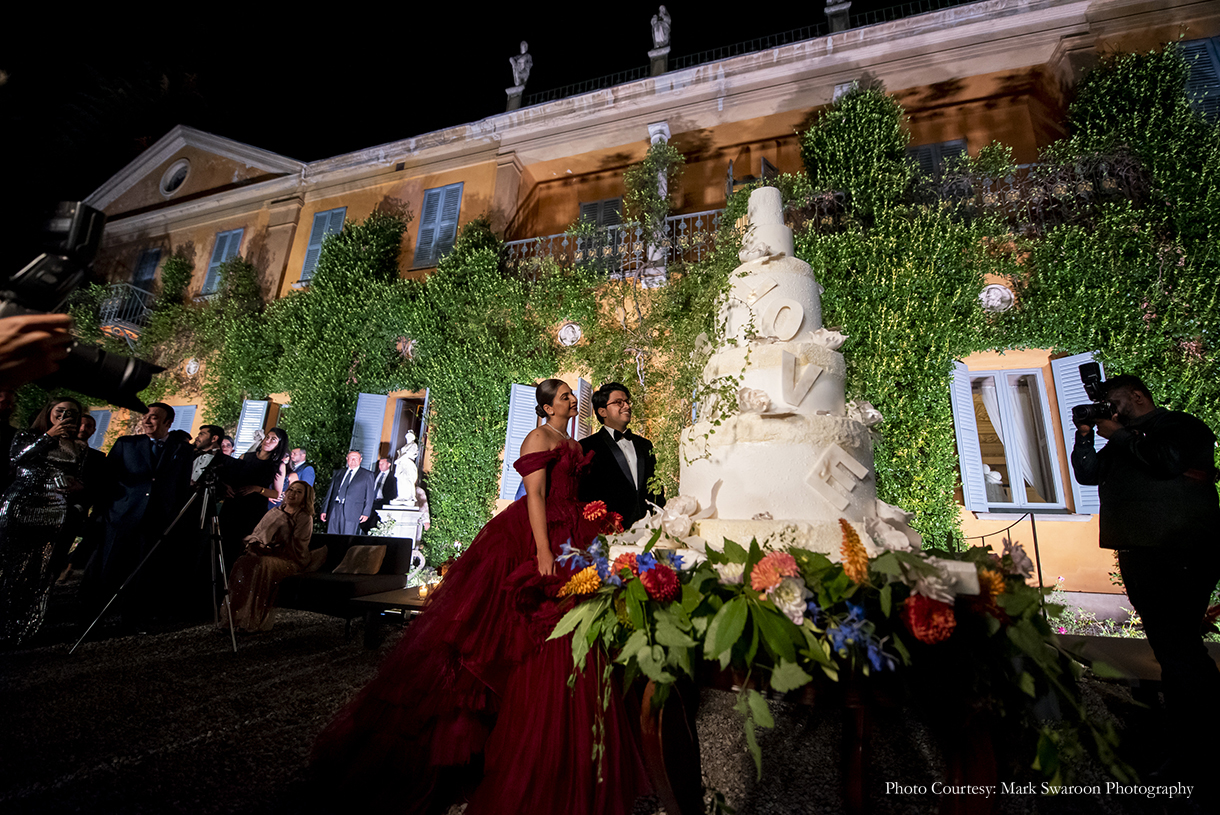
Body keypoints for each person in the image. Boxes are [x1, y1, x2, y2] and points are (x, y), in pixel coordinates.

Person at [311, 379, 650, 814]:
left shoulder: (567, 439)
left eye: (570, 394)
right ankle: (533, 742)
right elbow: (535, 496)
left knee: (571, 626)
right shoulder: (538, 436)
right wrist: (543, 550)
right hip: (535, 535)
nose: (571, 399)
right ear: (547, 406)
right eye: (564, 395)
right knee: (517, 631)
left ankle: (570, 742)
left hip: (573, 534)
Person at [1071, 373, 1220, 786]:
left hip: (1179, 549)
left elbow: (1169, 460)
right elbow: (1089, 474)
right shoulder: (1125, 440)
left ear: (1138, 395)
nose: (1110, 410)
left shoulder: (1179, 425)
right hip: (1140, 552)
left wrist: (1117, 433)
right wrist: (1085, 437)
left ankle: (1200, 748)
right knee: (1173, 649)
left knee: (1179, 649)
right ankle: (1189, 745)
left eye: (1114, 402)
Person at [80, 402, 193, 622]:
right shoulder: (126, 444)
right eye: (146, 416)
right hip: (121, 517)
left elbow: (181, 488)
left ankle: (133, 618)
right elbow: (108, 481)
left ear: (168, 422)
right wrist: (104, 515)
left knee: (144, 572)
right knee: (108, 568)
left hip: (155, 520)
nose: (147, 420)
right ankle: (92, 618)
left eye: (154, 417)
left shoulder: (182, 450)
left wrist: (171, 517)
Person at [0, 396, 87, 643]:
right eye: (60, 411)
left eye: (71, 413)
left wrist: (76, 485)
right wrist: (49, 435)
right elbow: (18, 459)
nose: (65, 417)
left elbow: (77, 474)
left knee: (40, 566)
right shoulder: (27, 436)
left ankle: (24, 627)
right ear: (49, 412)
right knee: (11, 562)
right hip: (22, 502)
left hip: (54, 506)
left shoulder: (77, 446)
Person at [221, 480, 315, 632]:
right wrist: (255, 545)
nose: (293, 494)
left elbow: (298, 546)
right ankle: (233, 618)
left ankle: (252, 620)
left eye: (298, 492)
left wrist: (272, 548)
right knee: (243, 561)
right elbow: (258, 533)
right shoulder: (274, 512)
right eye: (291, 489)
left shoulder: (305, 518)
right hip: (263, 553)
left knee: (262, 565)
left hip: (288, 559)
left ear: (305, 497)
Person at [579, 382, 664, 528]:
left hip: (648, 527)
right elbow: (585, 494)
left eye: (627, 402)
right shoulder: (587, 446)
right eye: (619, 402)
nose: (627, 406)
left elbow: (655, 486)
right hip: (608, 528)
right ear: (602, 412)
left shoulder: (645, 445)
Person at [221, 428, 289, 568]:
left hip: (252, 509)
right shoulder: (245, 457)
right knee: (222, 540)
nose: (268, 441)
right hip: (233, 502)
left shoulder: (278, 465)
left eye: (273, 439)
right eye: (267, 437)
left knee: (240, 546)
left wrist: (257, 489)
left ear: (279, 445)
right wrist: (227, 487)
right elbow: (232, 477)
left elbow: (277, 493)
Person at [320, 450, 375, 535]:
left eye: (356, 458)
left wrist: (366, 512)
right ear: (347, 459)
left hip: (352, 511)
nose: (353, 460)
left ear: (360, 460)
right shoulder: (338, 473)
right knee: (331, 536)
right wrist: (324, 510)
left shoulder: (367, 475)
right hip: (335, 508)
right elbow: (330, 492)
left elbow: (370, 496)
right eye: (351, 458)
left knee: (347, 537)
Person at [361, 456, 397, 533]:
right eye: (379, 463)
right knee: (365, 522)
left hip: (382, 502)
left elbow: (393, 493)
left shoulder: (393, 478)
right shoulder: (374, 475)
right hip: (371, 502)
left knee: (375, 523)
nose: (380, 465)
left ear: (388, 464)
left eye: (383, 463)